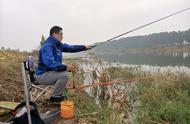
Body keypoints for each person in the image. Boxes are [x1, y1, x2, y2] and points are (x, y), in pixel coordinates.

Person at [35, 26, 92, 102]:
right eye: (61, 34)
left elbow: (70, 48)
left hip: (49, 73)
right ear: (55, 35)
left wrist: (84, 47)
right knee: (64, 75)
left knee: (64, 73)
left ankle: (59, 94)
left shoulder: (58, 45)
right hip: (42, 76)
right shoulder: (47, 46)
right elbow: (50, 63)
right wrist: (66, 67)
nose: (62, 36)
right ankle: (55, 98)